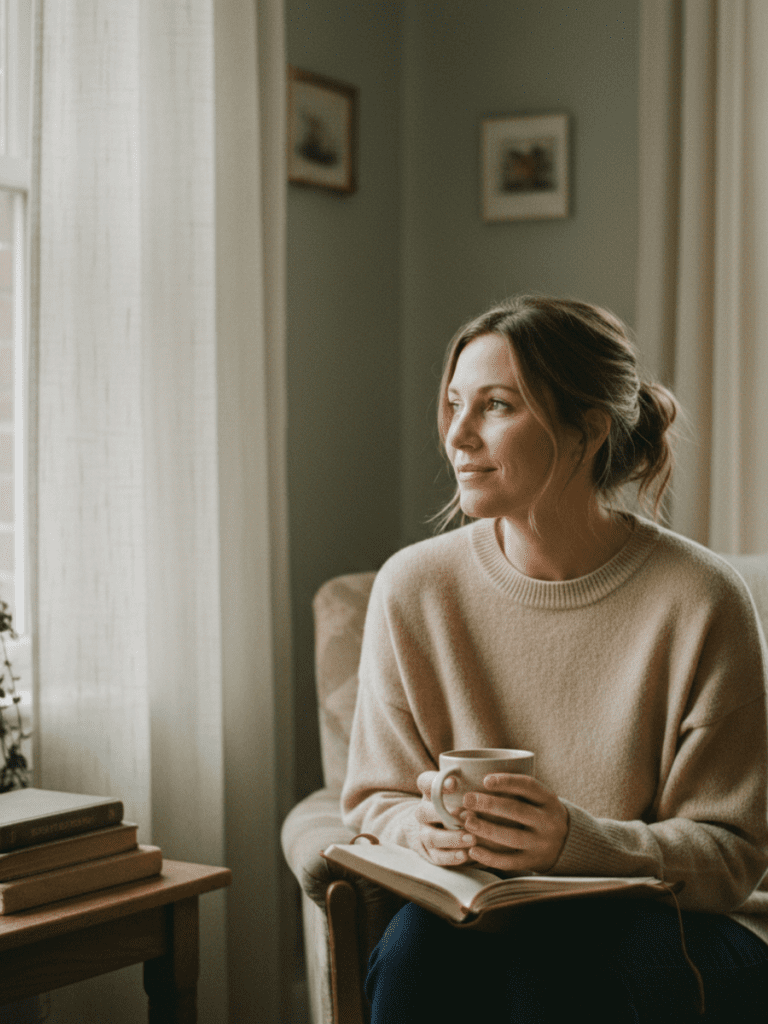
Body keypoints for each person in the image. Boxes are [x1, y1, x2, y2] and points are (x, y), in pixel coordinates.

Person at [341, 295, 768, 1022]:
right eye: (455, 405)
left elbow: (730, 855)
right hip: (483, 912)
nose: (459, 437)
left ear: (588, 430)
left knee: (555, 976)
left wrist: (576, 842)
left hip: (678, 919)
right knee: (415, 957)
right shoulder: (414, 588)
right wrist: (423, 828)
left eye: (497, 407)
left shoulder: (701, 598)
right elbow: (374, 799)